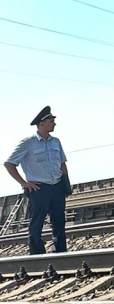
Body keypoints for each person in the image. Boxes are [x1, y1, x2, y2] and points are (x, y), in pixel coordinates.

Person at [4, 106, 71, 254]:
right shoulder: (28, 143)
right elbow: (9, 164)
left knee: (59, 222)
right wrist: (24, 183)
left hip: (57, 187)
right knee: (37, 223)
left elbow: (62, 164)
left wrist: (66, 185)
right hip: (39, 188)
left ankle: (60, 251)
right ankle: (36, 253)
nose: (54, 124)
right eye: (51, 121)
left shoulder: (56, 142)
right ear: (42, 124)